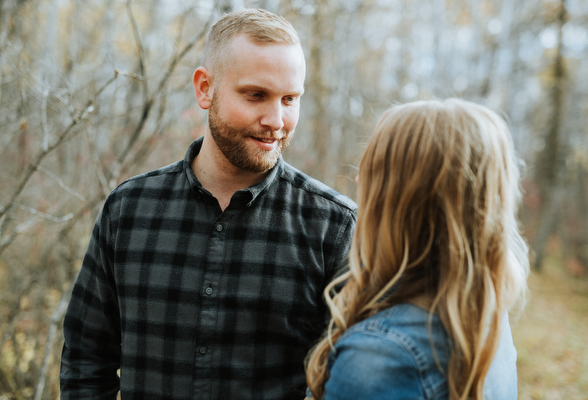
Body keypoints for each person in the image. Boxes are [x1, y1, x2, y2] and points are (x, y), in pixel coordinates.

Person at [60, 8, 357, 400]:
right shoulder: (128, 210)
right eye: (256, 95)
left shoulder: (333, 225)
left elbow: (347, 380)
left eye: (290, 99)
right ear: (205, 88)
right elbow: (85, 361)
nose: (276, 119)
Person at [305, 99, 530, 400]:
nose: (359, 179)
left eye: (373, 168)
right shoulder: (482, 319)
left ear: (405, 201)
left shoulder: (381, 357)